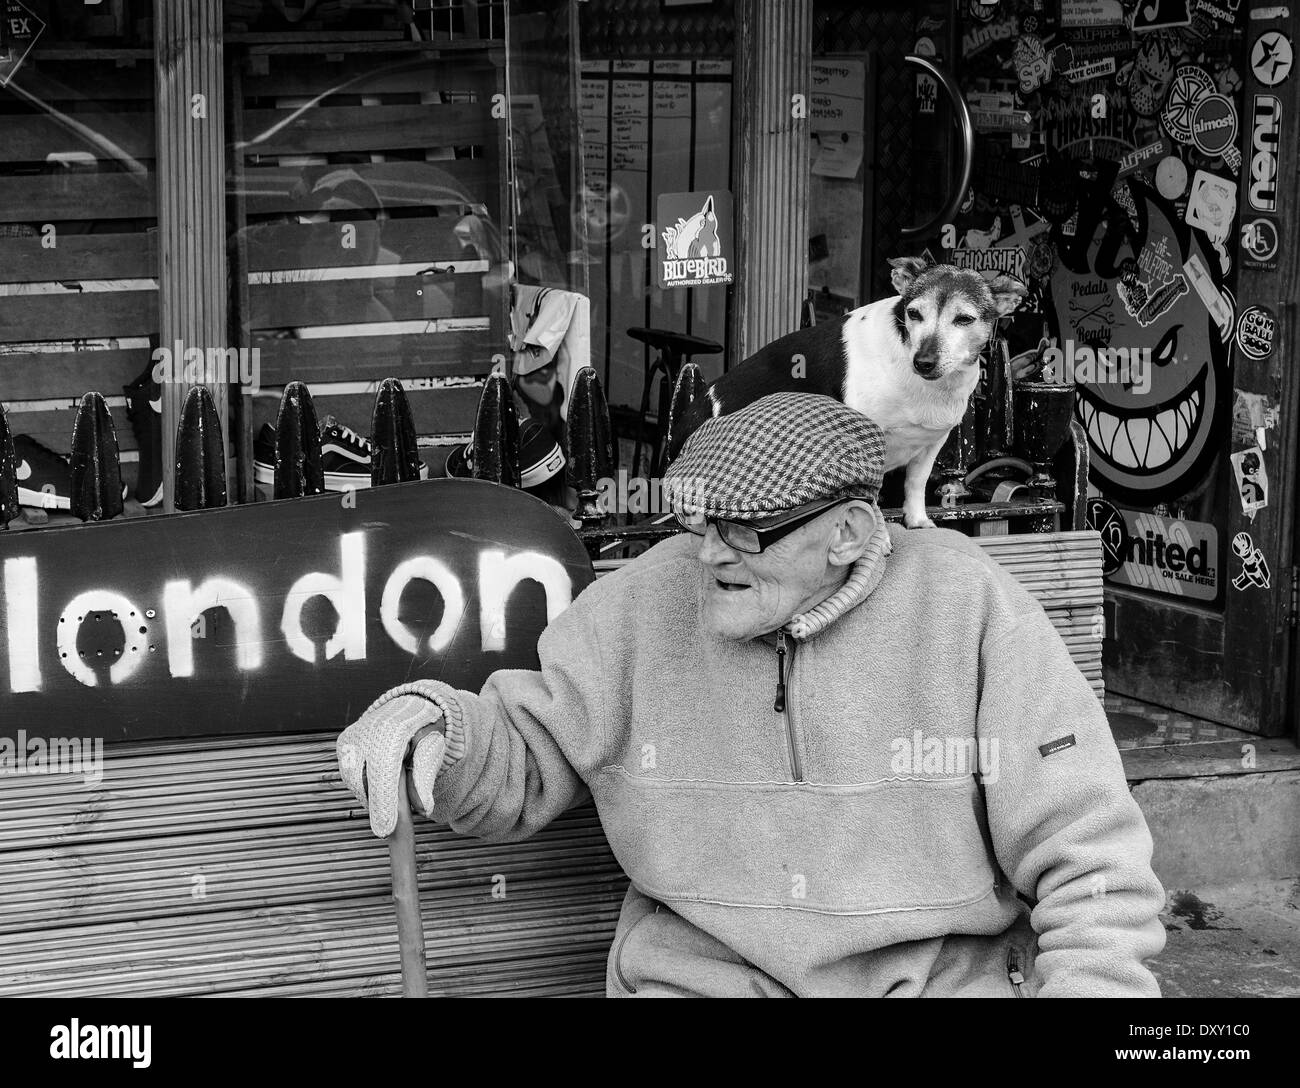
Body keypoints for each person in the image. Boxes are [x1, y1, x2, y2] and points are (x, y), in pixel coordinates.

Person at [337, 392, 1166, 997]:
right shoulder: (646, 602)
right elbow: (526, 749)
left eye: (746, 530)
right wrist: (437, 727)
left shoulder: (969, 607)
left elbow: (1088, 853)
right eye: (701, 523)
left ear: (846, 532)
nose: (707, 556)